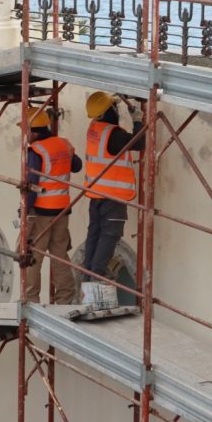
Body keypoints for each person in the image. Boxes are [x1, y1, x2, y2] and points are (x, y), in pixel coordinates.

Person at [81, 91, 144, 283]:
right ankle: (96, 278)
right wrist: (138, 121)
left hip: (96, 194)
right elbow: (140, 142)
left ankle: (87, 276)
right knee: (109, 237)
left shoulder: (94, 128)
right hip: (113, 197)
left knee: (94, 234)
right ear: (109, 111)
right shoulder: (113, 134)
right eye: (114, 107)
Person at [22, 106, 82, 304]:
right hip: (62, 210)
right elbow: (77, 165)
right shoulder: (63, 144)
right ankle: (65, 298)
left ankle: (30, 300)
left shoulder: (36, 151)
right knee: (59, 255)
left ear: (34, 131)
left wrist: (25, 210)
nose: (25, 135)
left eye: (25, 130)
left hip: (41, 211)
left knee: (32, 257)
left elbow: (31, 183)